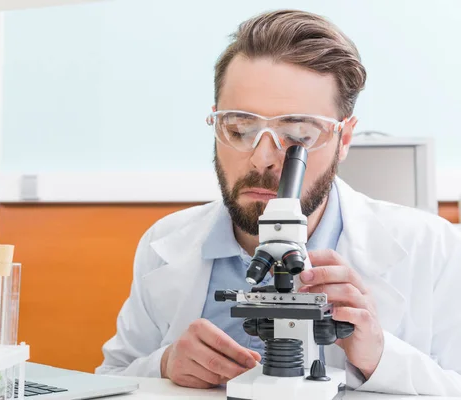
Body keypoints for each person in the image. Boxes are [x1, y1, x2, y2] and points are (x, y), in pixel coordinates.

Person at [94, 9, 461, 396]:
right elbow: (110, 378)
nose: (262, 158)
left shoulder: (434, 249)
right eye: (239, 128)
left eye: (297, 134)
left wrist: (381, 357)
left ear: (345, 139)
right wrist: (164, 364)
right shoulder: (164, 242)